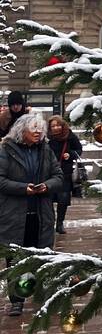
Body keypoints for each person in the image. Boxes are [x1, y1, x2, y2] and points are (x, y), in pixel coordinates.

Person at [0, 112, 64, 317]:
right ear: (21, 130)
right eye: (34, 128)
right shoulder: (6, 150)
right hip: (14, 215)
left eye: (40, 128)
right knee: (16, 259)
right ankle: (17, 300)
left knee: (42, 255)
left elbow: (59, 177)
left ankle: (41, 294)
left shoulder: (45, 150)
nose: (38, 132)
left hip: (41, 213)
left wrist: (47, 185)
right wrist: (23, 188)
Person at [47, 115, 83, 234]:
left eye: (58, 125)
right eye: (53, 126)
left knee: (63, 200)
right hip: (48, 173)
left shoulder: (69, 136)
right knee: (48, 199)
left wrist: (70, 154)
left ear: (62, 126)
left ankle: (60, 223)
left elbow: (79, 150)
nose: (56, 128)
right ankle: (50, 222)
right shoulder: (46, 138)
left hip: (64, 173)